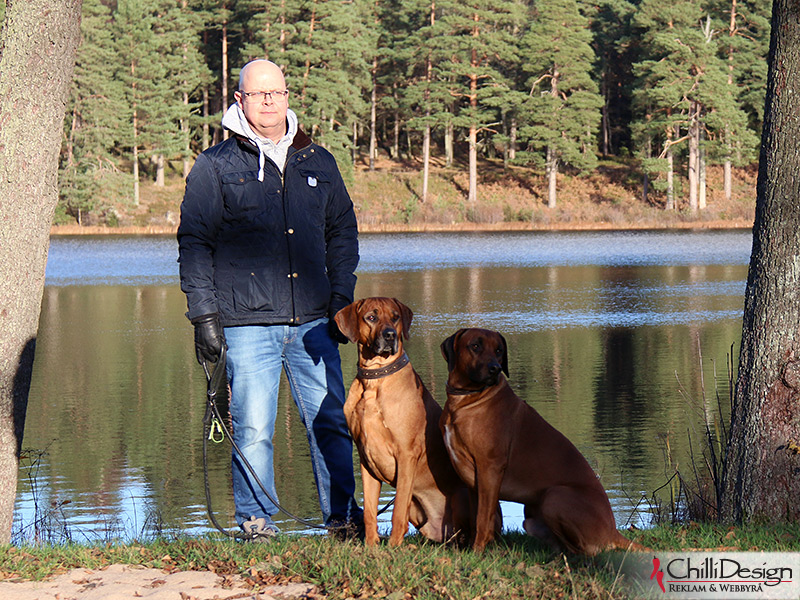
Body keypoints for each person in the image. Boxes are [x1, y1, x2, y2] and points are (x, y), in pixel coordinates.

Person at [177, 59, 363, 539]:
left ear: (287, 97)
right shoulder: (214, 166)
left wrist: (342, 295)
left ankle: (343, 519)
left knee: (332, 425)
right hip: (245, 324)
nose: (268, 102)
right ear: (239, 99)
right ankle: (256, 522)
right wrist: (204, 317)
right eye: (257, 94)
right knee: (255, 430)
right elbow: (194, 243)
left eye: (276, 93)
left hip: (316, 323)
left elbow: (343, 231)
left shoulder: (317, 160)